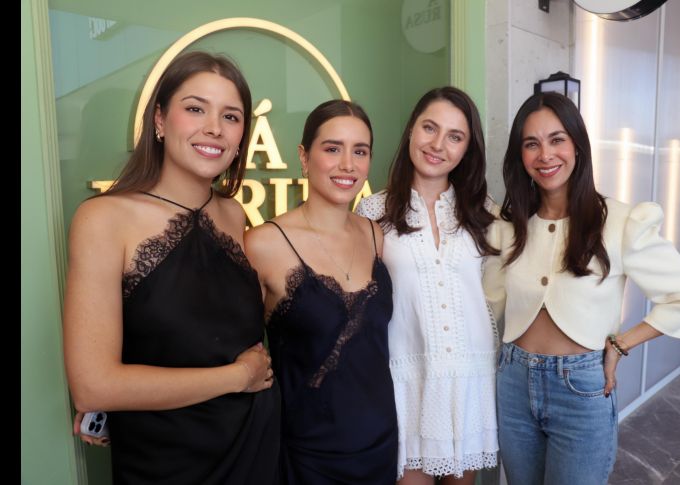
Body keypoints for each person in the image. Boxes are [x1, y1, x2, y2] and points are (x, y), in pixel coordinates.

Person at [63, 51, 280, 484]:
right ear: (159, 120)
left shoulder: (235, 216)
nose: (214, 128)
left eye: (231, 116)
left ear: (242, 136)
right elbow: (94, 386)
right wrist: (237, 376)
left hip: (255, 449)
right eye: (195, 108)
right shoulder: (103, 219)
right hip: (164, 464)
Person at [483, 91, 680, 485]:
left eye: (557, 140)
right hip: (513, 382)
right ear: (520, 156)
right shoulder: (508, 227)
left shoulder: (619, 221)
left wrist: (622, 344)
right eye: (531, 144)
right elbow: (489, 310)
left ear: (577, 145)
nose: (545, 155)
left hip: (581, 389)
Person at [244, 99, 397, 484]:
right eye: (332, 148)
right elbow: (225, 348)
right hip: (306, 456)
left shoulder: (375, 234)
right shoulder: (263, 244)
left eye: (359, 151)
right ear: (304, 156)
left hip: (380, 444)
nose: (348, 164)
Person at [356, 86, 499, 485]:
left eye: (455, 136)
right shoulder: (373, 212)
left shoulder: (486, 214)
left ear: (467, 150)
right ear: (411, 132)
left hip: (470, 380)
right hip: (406, 380)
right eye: (429, 128)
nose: (438, 145)